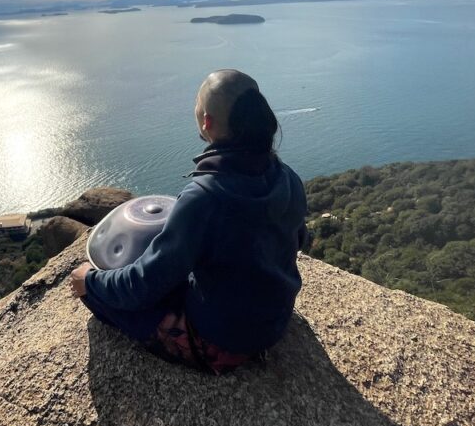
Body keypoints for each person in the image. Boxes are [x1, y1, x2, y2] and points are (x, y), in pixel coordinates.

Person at [69, 69, 309, 375]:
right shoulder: (287, 177)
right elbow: (298, 239)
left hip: (223, 342)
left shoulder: (204, 197)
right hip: (277, 319)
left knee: (96, 294)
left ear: (206, 121)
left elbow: (143, 285)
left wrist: (90, 280)